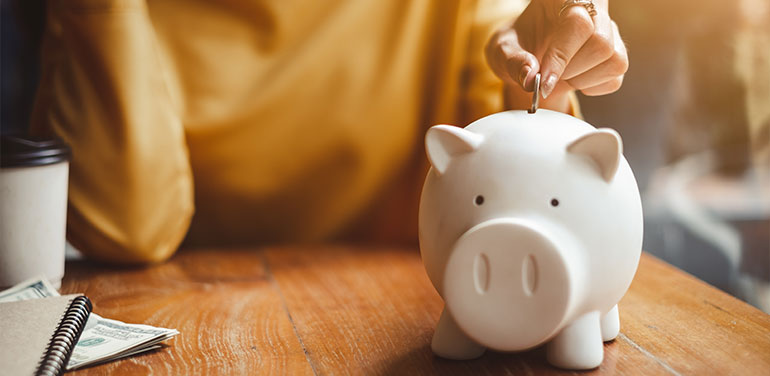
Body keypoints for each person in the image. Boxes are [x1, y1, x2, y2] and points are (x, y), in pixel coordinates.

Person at [29, 0, 627, 264]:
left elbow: (499, 61)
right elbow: (124, 225)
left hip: (402, 293)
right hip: (181, 291)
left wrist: (534, 57)